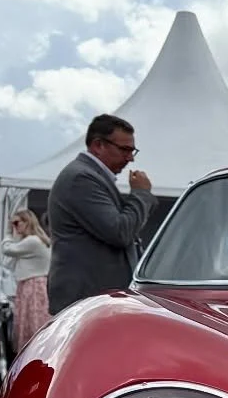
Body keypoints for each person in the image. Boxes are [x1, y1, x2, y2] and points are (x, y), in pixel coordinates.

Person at [46, 115, 154, 315]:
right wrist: (141, 195)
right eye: (125, 150)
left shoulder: (89, 176)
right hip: (86, 302)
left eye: (132, 151)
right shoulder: (82, 179)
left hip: (92, 300)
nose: (131, 158)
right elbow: (120, 232)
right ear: (98, 145)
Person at [4, 207, 53, 349]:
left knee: (32, 322)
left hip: (32, 285)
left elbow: (7, 250)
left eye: (17, 223)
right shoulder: (37, 240)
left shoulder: (32, 241)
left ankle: (31, 351)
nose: (15, 227)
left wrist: (8, 233)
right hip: (35, 284)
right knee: (33, 320)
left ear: (27, 222)